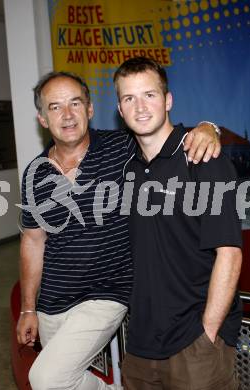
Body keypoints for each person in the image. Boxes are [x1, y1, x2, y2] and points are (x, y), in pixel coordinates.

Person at [17, 70, 221, 390]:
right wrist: (28, 307)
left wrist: (210, 128)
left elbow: (168, 133)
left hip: (107, 292)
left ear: (90, 109)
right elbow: (33, 240)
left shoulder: (123, 148)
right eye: (55, 107)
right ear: (42, 119)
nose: (67, 115)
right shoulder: (34, 172)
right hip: (54, 300)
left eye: (75, 103)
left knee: (46, 378)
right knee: (62, 384)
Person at [113, 57, 242, 389]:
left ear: (168, 100)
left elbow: (230, 253)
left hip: (194, 342)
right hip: (140, 344)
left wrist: (208, 334)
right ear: (120, 109)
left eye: (150, 95)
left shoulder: (202, 160)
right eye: (129, 98)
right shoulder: (126, 168)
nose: (140, 107)